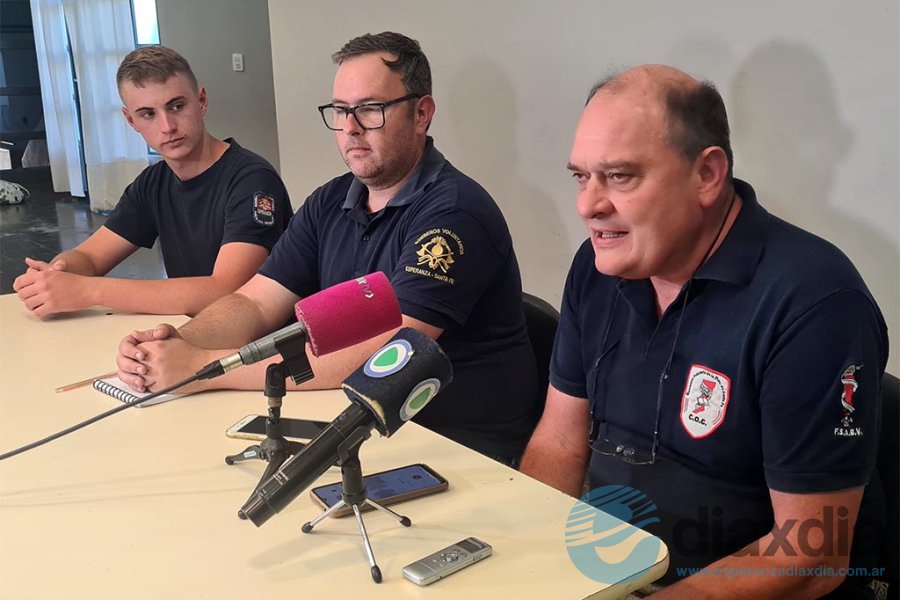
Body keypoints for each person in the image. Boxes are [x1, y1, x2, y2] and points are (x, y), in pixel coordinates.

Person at [519, 65, 888, 598]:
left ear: (707, 175)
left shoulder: (814, 304)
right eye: (582, 176)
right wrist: (520, 561)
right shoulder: (601, 266)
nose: (588, 205)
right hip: (609, 571)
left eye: (620, 176)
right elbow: (558, 440)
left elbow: (813, 555)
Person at [114, 32, 539, 464]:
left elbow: (389, 353)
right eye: (340, 111)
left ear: (421, 114)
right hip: (359, 420)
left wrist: (209, 371)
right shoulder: (329, 201)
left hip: (457, 444)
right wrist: (178, 344)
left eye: (370, 110)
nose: (350, 128)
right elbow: (255, 302)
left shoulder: (455, 213)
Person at [13, 46, 292, 318]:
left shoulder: (252, 179)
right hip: (195, 331)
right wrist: (55, 274)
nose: (167, 126)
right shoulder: (153, 183)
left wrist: (89, 291)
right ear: (130, 120)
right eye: (148, 114)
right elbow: (91, 258)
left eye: (177, 106)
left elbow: (225, 291)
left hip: (259, 344)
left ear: (202, 101)